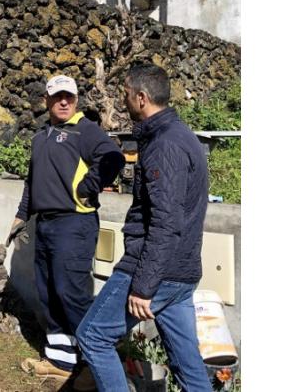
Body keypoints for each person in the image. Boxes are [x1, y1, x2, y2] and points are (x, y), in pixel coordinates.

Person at [75, 64, 212, 391]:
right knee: (188, 368)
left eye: (125, 94)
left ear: (141, 97)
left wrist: (144, 286)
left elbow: (166, 221)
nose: (122, 101)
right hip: (180, 275)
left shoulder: (165, 145)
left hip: (154, 271)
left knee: (92, 336)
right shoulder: (181, 136)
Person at [9, 74, 124, 384]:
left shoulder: (85, 130)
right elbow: (32, 181)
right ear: (45, 100)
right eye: (57, 97)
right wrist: (21, 215)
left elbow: (113, 158)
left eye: (69, 97)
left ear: (76, 100)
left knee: (70, 292)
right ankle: (61, 361)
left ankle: (96, 362)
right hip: (46, 224)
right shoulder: (40, 137)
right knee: (49, 293)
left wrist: (88, 186)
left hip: (74, 224)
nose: (63, 102)